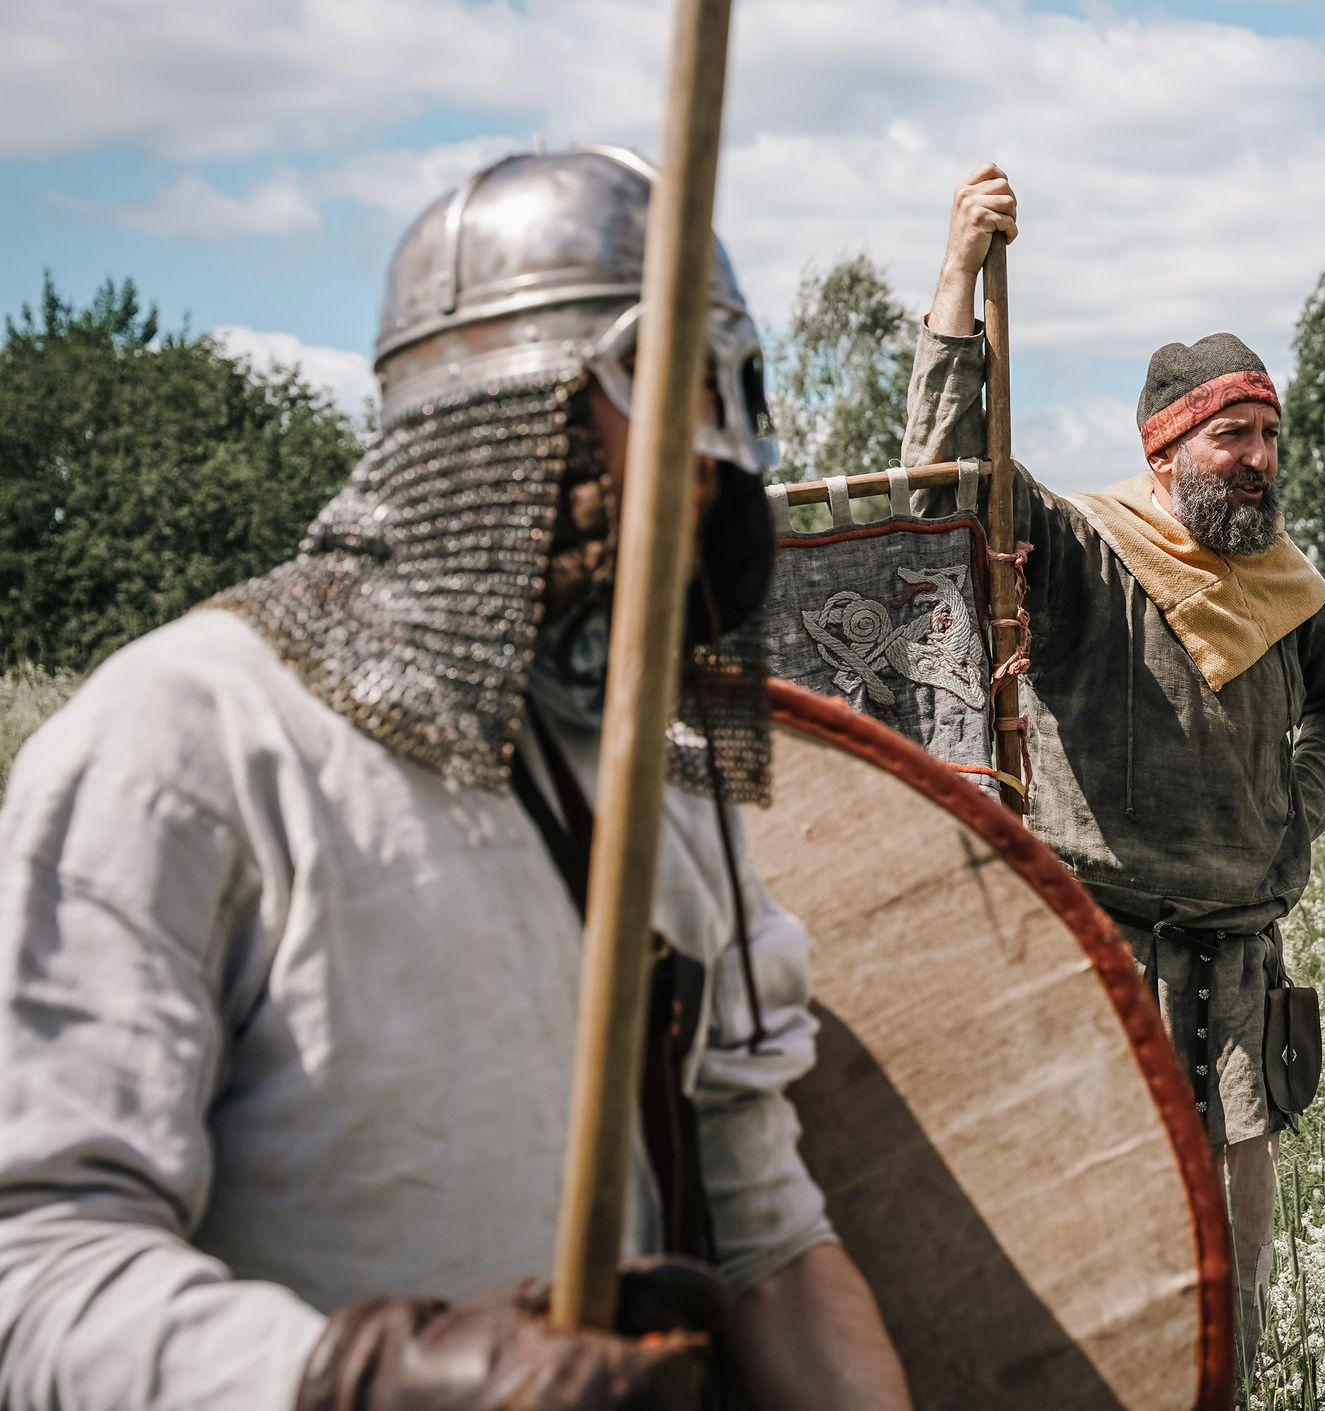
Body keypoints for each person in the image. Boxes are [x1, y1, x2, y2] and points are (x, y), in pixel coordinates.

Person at [0, 148, 913, 1410]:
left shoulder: (665, 787)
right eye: (662, 389)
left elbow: (767, 1249)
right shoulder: (184, 742)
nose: (711, 460)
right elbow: (35, 1270)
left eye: (724, 397)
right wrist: (369, 1380)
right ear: (491, 416)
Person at [901, 163, 1325, 1376]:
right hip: (1105, 949)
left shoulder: (1283, 590)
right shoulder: (1078, 547)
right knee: (1096, 1273)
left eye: (1271, 436)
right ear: (1167, 453)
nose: (1260, 459)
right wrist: (960, 275)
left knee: (1232, 1292)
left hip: (1240, 964)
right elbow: (942, 485)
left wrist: (1296, 811)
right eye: (1234, 435)